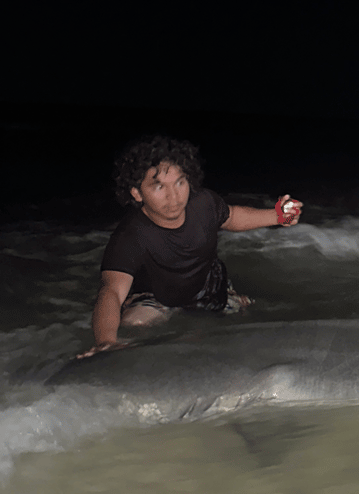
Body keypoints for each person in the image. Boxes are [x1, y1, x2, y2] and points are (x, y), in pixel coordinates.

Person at [78, 135, 303, 358]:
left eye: (180, 182)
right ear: (137, 193)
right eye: (159, 187)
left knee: (248, 320)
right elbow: (112, 291)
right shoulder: (130, 236)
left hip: (209, 286)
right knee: (133, 323)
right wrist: (106, 341)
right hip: (157, 297)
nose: (174, 196)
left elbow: (232, 217)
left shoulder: (203, 203)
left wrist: (277, 216)